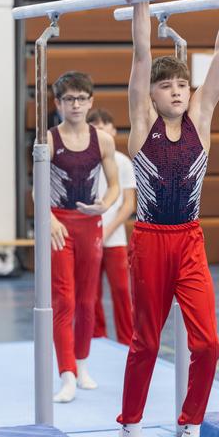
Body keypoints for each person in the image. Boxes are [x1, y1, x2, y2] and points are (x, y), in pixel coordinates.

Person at [117, 0, 219, 437]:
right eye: (166, 87)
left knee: (210, 345)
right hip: (151, 242)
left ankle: (190, 429)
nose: (176, 92)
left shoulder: (201, 116)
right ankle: (130, 430)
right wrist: (140, 4)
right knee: (147, 343)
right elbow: (139, 58)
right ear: (151, 97)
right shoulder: (140, 126)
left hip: (191, 241)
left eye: (181, 85)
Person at [48, 71, 119, 403]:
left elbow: (115, 185)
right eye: (68, 99)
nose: (75, 105)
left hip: (90, 224)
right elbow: (38, 189)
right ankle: (66, 374)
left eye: (81, 98)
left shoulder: (102, 140)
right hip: (60, 225)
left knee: (87, 299)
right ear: (58, 103)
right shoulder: (48, 140)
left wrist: (103, 206)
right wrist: (47, 219)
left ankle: (82, 363)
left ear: (91, 102)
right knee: (64, 299)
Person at [87, 108, 136, 345]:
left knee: (121, 292)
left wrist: (108, 229)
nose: (101, 131)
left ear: (113, 131)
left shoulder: (123, 162)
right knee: (91, 294)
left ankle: (127, 340)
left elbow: (128, 204)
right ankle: (98, 337)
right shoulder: (85, 162)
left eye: (105, 126)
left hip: (115, 239)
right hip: (90, 238)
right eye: (95, 127)